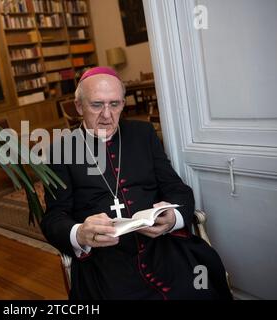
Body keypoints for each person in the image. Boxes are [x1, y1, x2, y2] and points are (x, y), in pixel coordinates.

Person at [40, 66, 232, 300]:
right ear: (79, 106)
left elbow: (177, 189)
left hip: (162, 249)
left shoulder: (143, 134)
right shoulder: (60, 151)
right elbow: (54, 218)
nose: (107, 115)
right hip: (106, 263)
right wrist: (80, 233)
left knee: (199, 291)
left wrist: (173, 219)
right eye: (97, 105)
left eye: (115, 104)